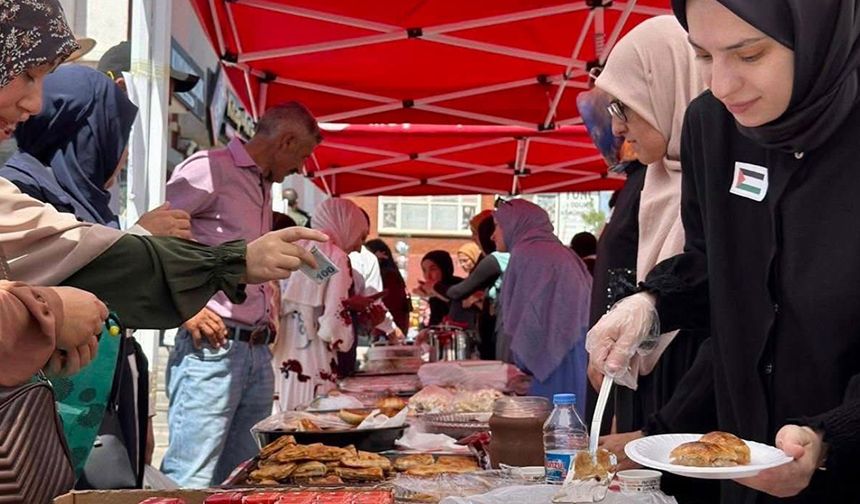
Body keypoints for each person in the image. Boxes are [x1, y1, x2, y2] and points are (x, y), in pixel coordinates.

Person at [588, 0, 860, 501]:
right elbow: (713, 266)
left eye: (750, 55)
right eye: (705, 57)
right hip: (745, 470)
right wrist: (652, 303)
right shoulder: (712, 126)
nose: (721, 85)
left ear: (819, 32)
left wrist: (831, 435)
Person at [587, 16, 717, 503]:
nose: (617, 126)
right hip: (648, 389)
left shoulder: (726, 184)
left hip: (696, 404)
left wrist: (660, 429)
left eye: (625, 105)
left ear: (668, 84)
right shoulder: (654, 180)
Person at [161, 101, 323, 487]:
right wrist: (184, 307)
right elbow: (157, 235)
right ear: (285, 142)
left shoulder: (261, 184)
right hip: (212, 350)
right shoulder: (211, 168)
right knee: (192, 476)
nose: (299, 168)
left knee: (242, 476)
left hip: (252, 348)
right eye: (301, 155)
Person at [1, 64, 192, 237]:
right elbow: (63, 265)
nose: (126, 153)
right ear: (93, 138)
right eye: (122, 135)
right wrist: (142, 239)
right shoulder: (17, 193)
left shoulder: (85, 203)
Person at [494, 199, 591, 412]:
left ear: (515, 223)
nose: (493, 235)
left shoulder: (528, 253)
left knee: (549, 431)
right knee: (570, 427)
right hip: (574, 351)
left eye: (497, 225)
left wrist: (522, 363)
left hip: (550, 360)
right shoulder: (560, 252)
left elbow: (526, 319)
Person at [274, 198, 368, 411]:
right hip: (314, 359)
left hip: (282, 354)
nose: (359, 246)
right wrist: (344, 339)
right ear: (346, 225)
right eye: (360, 236)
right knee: (310, 426)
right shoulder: (336, 256)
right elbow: (334, 324)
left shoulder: (294, 247)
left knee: (282, 423)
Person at [365, 238, 411, 334]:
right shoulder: (392, 274)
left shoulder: (389, 276)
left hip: (388, 329)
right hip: (388, 327)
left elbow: (388, 304)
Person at [414, 251, 462, 327]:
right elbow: (434, 323)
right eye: (424, 270)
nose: (427, 276)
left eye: (433, 269)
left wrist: (436, 292)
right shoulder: (434, 296)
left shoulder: (459, 287)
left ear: (444, 268)